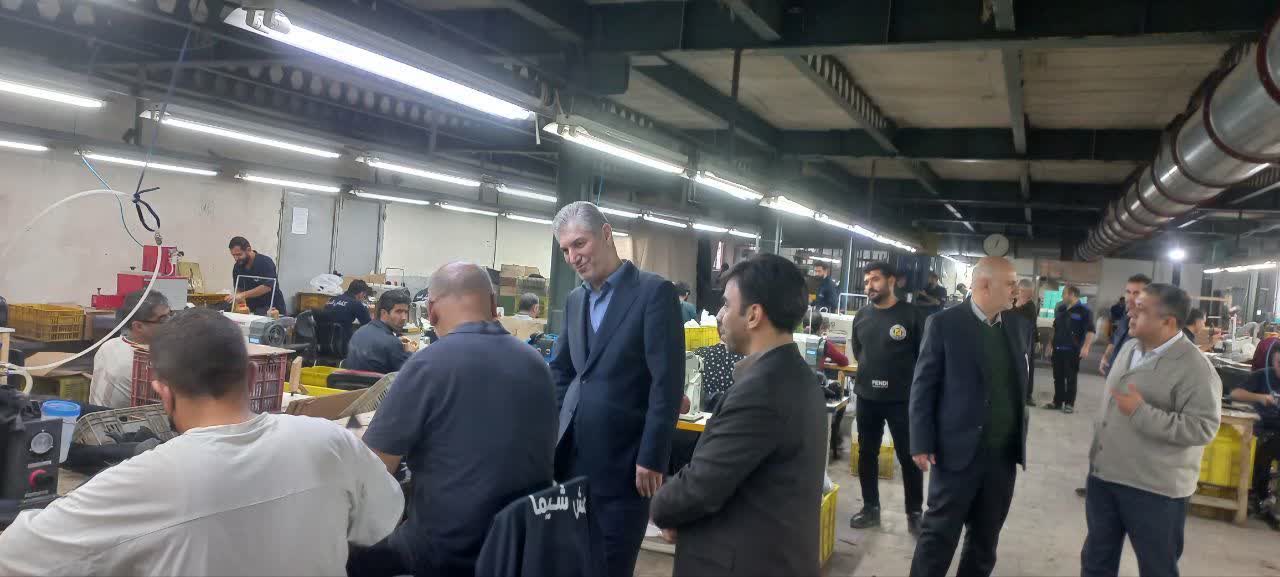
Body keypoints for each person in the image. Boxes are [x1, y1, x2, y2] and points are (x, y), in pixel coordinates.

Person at [0, 309, 403, 575]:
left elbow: (15, 556)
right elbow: (383, 518)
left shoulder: (145, 480)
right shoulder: (331, 442)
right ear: (251, 377)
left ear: (162, 392)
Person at [354, 262, 557, 577]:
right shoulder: (537, 364)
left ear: (431, 311)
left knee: (345, 556)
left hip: (446, 551)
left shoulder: (427, 365)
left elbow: (372, 471)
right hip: (522, 547)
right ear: (493, 304)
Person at [650, 254, 825, 577]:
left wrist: (661, 507)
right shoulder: (797, 375)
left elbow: (702, 485)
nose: (719, 315)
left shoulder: (763, 389)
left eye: (726, 305)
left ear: (754, 315)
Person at [548, 201, 684, 577]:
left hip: (626, 464)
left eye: (580, 244)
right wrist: (557, 427)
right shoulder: (575, 300)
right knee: (573, 561)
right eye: (565, 250)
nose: (573, 257)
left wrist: (652, 455)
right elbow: (563, 370)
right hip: (572, 459)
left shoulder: (653, 293)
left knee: (610, 563)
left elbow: (667, 381)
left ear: (606, 234)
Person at [1081, 283, 1221, 577]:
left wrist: (1141, 413)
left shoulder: (1195, 368)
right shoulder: (1129, 348)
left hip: (1154, 491)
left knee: (1157, 568)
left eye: (1141, 309)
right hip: (1105, 478)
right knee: (1096, 563)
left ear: (1167, 322)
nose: (1130, 312)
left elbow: (1203, 428)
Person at [908, 256, 1031, 577]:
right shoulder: (945, 324)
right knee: (938, 536)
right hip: (956, 453)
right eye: (1010, 283)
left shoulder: (1017, 326)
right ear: (985, 285)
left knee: (985, 541)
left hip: (1002, 457)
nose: (1016, 289)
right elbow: (923, 386)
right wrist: (921, 440)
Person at [847, 261, 926, 533]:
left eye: (875, 280)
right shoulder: (862, 316)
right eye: (866, 281)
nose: (869, 286)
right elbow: (859, 351)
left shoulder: (912, 315)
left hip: (901, 399)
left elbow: (923, 357)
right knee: (867, 453)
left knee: (909, 456)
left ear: (891, 281)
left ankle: (914, 513)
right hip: (867, 396)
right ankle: (871, 508)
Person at [89, 290, 170, 408]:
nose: (170, 323)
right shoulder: (145, 361)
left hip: (97, 416)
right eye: (163, 319)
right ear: (138, 326)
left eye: (170, 315)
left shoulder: (109, 345)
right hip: (125, 419)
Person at [1230, 340, 1280, 519]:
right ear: (1273, 361)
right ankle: (1261, 496)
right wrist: (1260, 397)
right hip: (1261, 429)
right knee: (1267, 446)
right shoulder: (1262, 376)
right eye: (1279, 362)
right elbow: (1235, 394)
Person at [802, 310, 849, 460]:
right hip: (817, 392)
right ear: (821, 327)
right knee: (843, 394)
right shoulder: (823, 344)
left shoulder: (793, 340)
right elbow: (844, 361)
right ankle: (835, 436)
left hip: (798, 392)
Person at [344, 289, 415, 374]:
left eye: (406, 312)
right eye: (398, 311)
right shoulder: (392, 343)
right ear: (384, 313)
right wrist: (410, 353)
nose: (404, 317)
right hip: (378, 382)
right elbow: (408, 374)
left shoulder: (359, 332)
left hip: (350, 382)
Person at [1047, 286, 1095, 413]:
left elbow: (1091, 330)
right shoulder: (1061, 309)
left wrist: (1086, 347)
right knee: (1057, 377)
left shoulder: (1084, 310)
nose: (1062, 296)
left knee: (1071, 378)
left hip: (1072, 350)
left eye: (1064, 293)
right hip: (1058, 348)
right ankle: (1057, 402)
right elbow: (1055, 327)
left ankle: (1069, 404)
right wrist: (1050, 344)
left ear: (1072, 294)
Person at [1100, 274, 1151, 376]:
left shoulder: (1151, 322)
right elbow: (1115, 338)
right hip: (1114, 370)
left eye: (1136, 293)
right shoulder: (1126, 315)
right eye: (1128, 292)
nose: (1130, 298)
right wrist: (1105, 356)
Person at [225, 236, 287, 316]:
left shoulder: (265, 262)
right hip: (253, 310)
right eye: (233, 255)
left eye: (239, 254)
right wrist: (236, 300)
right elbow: (239, 289)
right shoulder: (237, 266)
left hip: (272, 309)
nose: (236, 258)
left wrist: (242, 295)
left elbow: (267, 287)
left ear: (248, 249)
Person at [1011, 279, 1039, 406]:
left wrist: (1037, 341)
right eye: (1028, 293)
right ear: (1020, 290)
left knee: (1028, 368)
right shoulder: (1011, 302)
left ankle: (1027, 396)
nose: (1030, 296)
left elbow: (1032, 324)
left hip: (1027, 342)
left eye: (1031, 293)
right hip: (1012, 340)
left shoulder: (1030, 306)